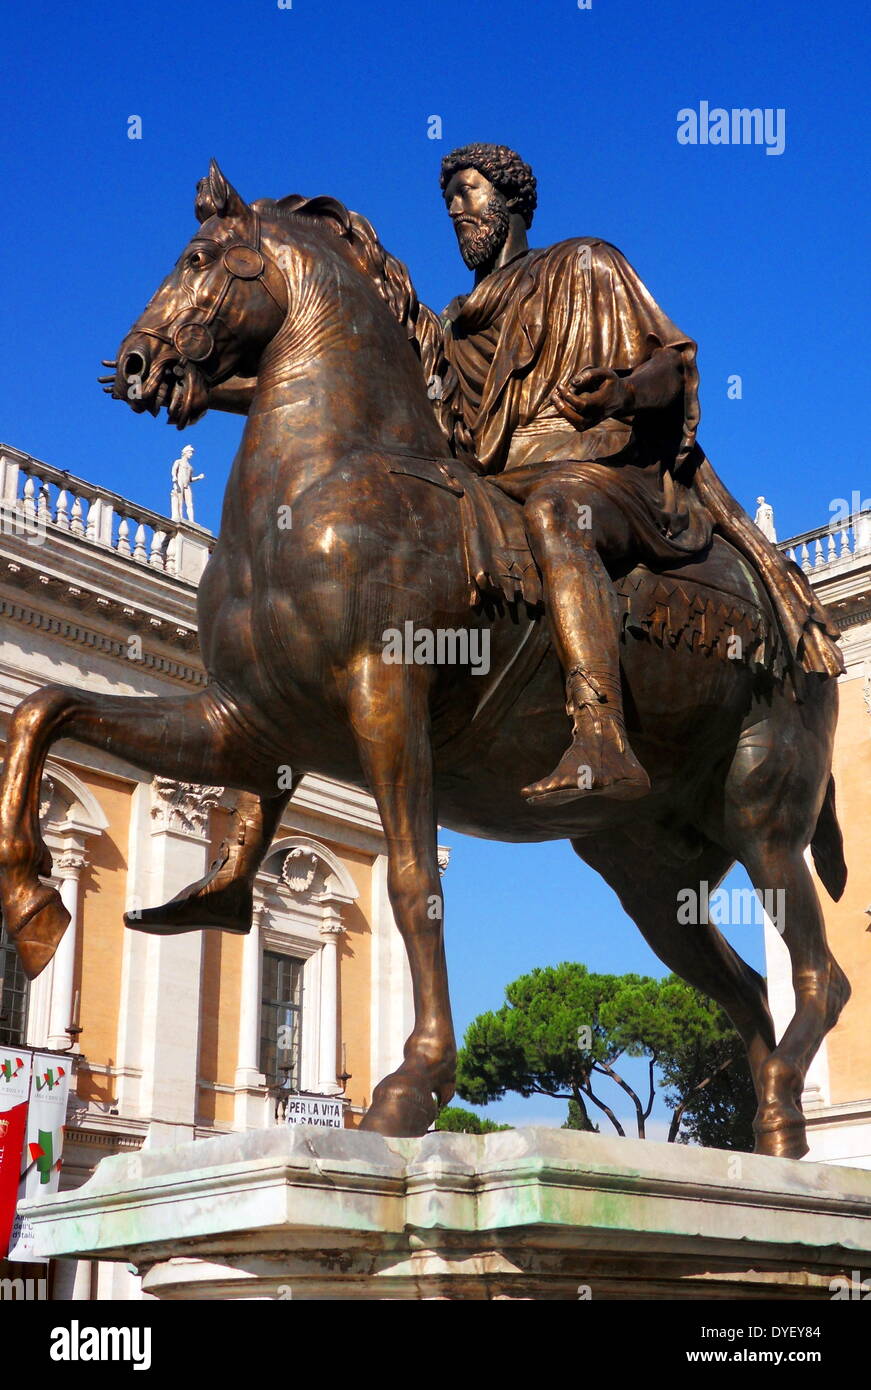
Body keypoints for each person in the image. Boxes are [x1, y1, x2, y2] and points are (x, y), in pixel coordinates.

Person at [437, 143, 841, 807]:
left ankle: (599, 732)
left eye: (469, 190)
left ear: (510, 200)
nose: (456, 208)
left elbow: (668, 365)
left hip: (596, 471)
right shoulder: (454, 324)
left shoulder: (584, 263)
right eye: (448, 198)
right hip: (494, 478)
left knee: (557, 513)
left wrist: (620, 395)